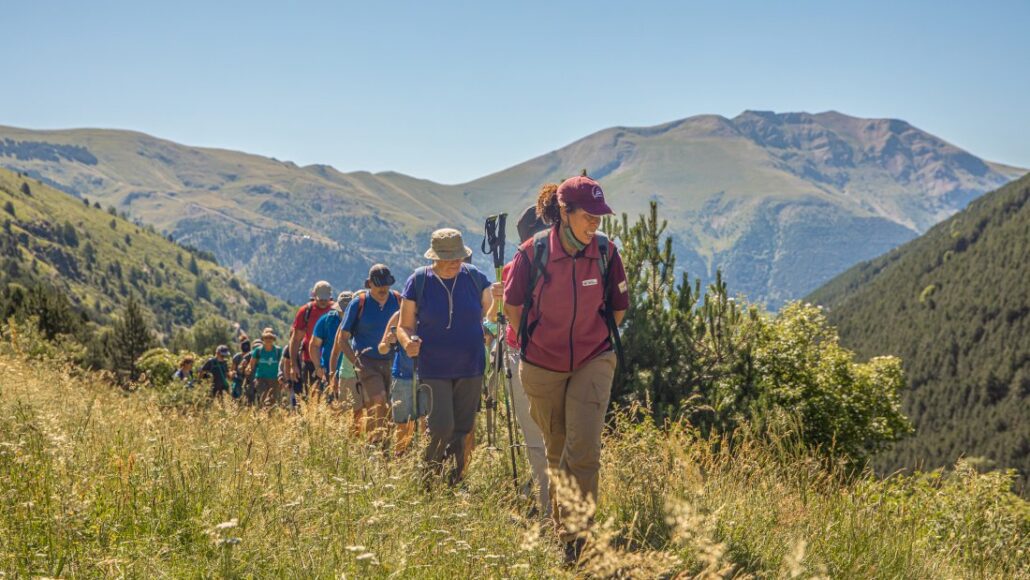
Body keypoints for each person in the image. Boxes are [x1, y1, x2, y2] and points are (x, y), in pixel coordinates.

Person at [503, 175, 629, 565]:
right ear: (564, 212)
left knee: (584, 450)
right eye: (588, 215)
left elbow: (618, 310)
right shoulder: (532, 253)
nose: (595, 222)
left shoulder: (606, 252)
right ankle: (562, 534)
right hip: (542, 366)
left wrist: (590, 337)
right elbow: (513, 308)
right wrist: (538, 339)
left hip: (594, 358)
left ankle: (578, 540)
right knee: (557, 450)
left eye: (600, 216)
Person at [396, 228, 493, 485]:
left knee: (462, 430)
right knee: (441, 427)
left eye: (458, 257)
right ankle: (428, 480)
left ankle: (454, 482)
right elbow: (404, 326)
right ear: (434, 257)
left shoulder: (475, 278)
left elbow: (490, 315)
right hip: (434, 367)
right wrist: (408, 343)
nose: (455, 263)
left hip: (471, 366)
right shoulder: (418, 281)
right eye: (448, 258)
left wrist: (499, 304)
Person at [498, 196, 554, 518]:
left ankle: (546, 509)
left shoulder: (514, 264)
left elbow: (507, 313)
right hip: (562, 359)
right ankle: (560, 509)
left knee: (535, 437)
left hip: (521, 355)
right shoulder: (574, 259)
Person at [335, 265, 401, 441]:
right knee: (379, 398)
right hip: (367, 361)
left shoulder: (398, 300)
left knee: (386, 404)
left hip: (392, 360)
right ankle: (376, 443)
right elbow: (343, 338)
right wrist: (357, 363)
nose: (383, 288)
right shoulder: (359, 303)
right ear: (370, 284)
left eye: (386, 284)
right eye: (379, 284)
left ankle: (378, 442)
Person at [381, 310, 423, 456]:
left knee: (426, 420)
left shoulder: (432, 311)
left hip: (428, 375)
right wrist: (388, 341)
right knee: (403, 423)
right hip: (402, 376)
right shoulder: (398, 315)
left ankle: (426, 457)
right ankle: (402, 457)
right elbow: (382, 348)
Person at [289, 281, 336, 398]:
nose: (323, 301)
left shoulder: (336, 311)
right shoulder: (306, 312)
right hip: (310, 362)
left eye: (326, 298)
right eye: (320, 299)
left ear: (330, 295)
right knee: (313, 397)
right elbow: (295, 340)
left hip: (333, 362)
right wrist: (293, 364)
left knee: (333, 399)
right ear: (313, 295)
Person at [308, 290, 355, 403]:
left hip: (356, 374)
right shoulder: (326, 321)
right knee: (332, 407)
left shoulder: (361, 320)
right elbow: (314, 345)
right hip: (332, 373)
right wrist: (318, 366)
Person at [247, 327, 283, 406]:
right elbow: (251, 364)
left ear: (273, 339)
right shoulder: (258, 350)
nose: (268, 339)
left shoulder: (278, 350)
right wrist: (249, 369)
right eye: (266, 337)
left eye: (270, 338)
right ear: (263, 339)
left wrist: (283, 377)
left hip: (275, 380)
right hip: (261, 379)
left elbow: (282, 364)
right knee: (264, 398)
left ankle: (269, 417)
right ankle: (263, 415)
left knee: (273, 402)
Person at [231, 334, 253, 401]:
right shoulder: (237, 357)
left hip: (249, 380)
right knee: (238, 399)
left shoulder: (252, 356)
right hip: (239, 380)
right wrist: (233, 373)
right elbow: (232, 370)